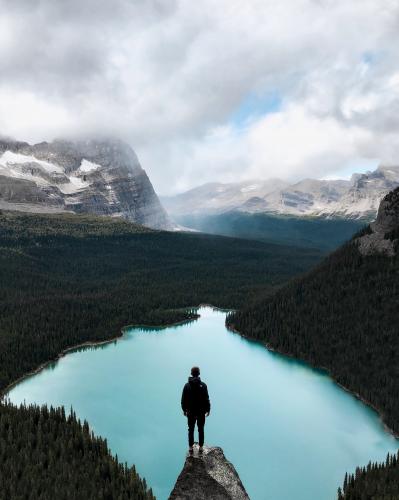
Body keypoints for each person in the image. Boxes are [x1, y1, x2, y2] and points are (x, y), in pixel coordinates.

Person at [181, 366, 211, 452]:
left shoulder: (187, 386)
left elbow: (183, 399)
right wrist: (208, 409)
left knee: (191, 429)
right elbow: (206, 399)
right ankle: (201, 447)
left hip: (190, 411)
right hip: (201, 411)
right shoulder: (203, 385)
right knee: (201, 429)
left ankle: (190, 447)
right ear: (199, 373)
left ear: (191, 373)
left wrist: (184, 409)